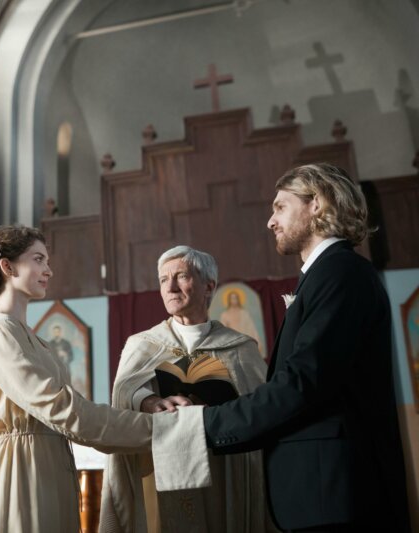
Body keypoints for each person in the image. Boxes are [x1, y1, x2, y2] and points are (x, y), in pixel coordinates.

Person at [167, 163, 409, 532]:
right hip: (322, 495)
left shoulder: (340, 272)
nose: (270, 221)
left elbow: (302, 382)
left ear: (316, 204)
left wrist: (204, 424)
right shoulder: (326, 275)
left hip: (336, 497)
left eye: (280, 207)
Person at [0, 225, 158, 532]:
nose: (49, 270)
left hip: (51, 469)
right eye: (39, 259)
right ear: (8, 266)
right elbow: (61, 408)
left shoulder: (35, 339)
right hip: (21, 475)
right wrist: (155, 430)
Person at [100, 246, 275, 533]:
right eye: (162, 279)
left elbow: (261, 407)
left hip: (224, 468)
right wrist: (150, 401)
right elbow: (123, 394)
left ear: (208, 286)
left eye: (180, 276)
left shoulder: (240, 348)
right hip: (161, 465)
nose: (170, 287)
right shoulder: (142, 344)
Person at [218, 289, 265, 359]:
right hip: (232, 344)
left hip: (245, 344)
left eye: (235, 298)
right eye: (232, 298)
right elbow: (222, 332)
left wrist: (257, 342)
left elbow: (251, 329)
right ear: (229, 300)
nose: (234, 300)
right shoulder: (225, 315)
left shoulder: (244, 313)